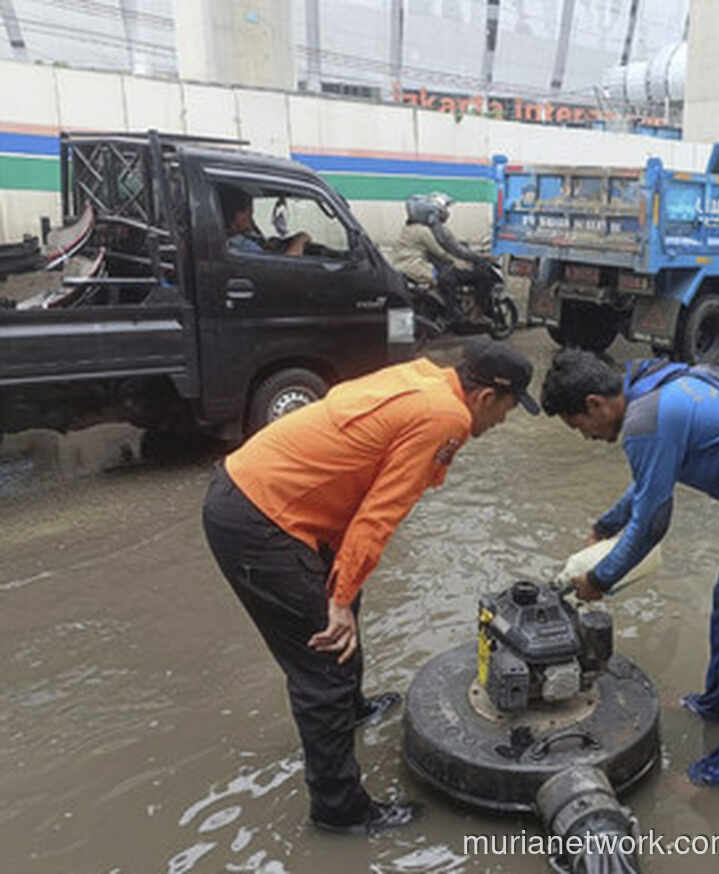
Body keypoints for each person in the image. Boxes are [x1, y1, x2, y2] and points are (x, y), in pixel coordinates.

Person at [202, 338, 539, 834]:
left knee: (346, 600)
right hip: (262, 520)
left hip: (262, 493)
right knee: (323, 663)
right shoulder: (447, 418)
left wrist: (343, 592)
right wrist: (334, 602)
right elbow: (379, 515)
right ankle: (339, 810)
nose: (503, 422)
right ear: (486, 397)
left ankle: (353, 710)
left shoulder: (423, 377)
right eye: (508, 409)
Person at [539, 350, 719, 786]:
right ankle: (714, 704)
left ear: (595, 404)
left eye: (578, 425)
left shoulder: (644, 420)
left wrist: (599, 579)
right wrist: (607, 524)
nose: (586, 436)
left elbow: (653, 523)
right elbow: (648, 482)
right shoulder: (652, 389)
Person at [394, 192, 495, 322]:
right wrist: (476, 258)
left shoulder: (409, 228)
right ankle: (469, 314)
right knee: (483, 275)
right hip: (430, 268)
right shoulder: (431, 230)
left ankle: (456, 311)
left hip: (411, 266)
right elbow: (449, 251)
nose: (446, 212)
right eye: (444, 208)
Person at [220, 186, 310, 256]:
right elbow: (284, 266)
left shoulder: (237, 238)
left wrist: (266, 245)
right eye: (249, 213)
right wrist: (300, 240)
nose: (251, 217)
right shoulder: (239, 245)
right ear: (238, 215)